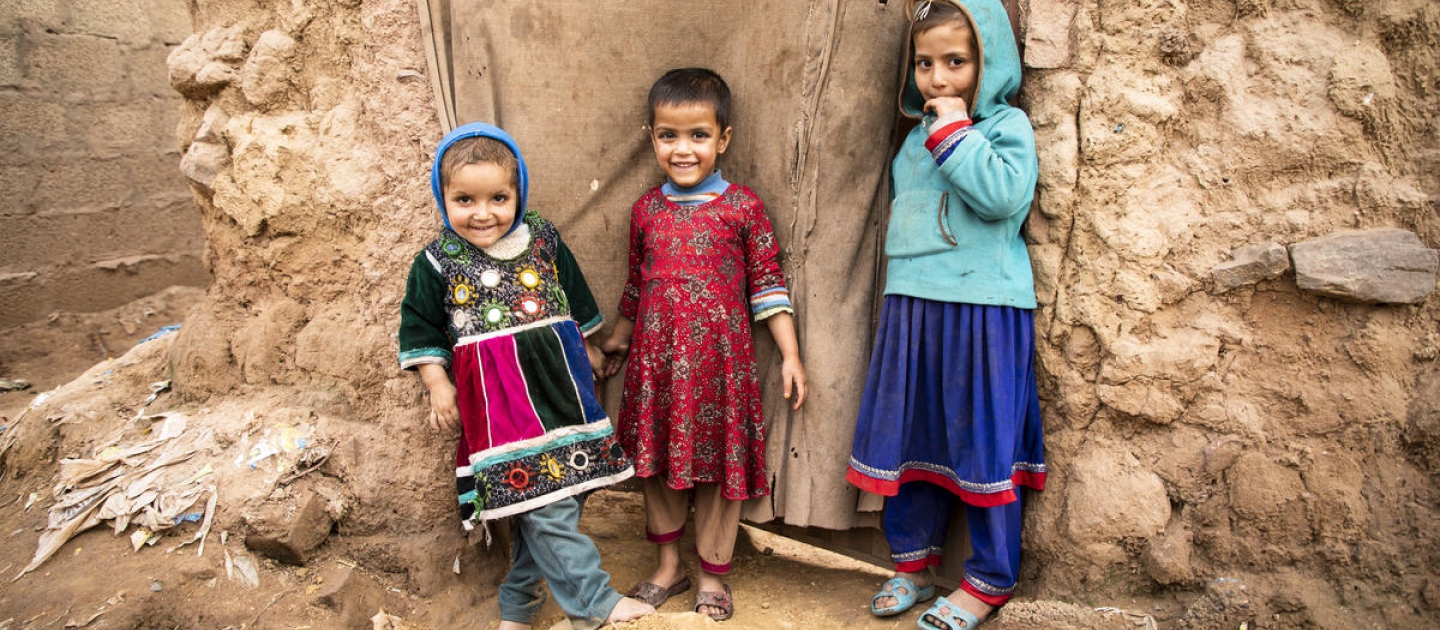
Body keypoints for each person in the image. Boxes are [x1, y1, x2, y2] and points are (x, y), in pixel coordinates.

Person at [398, 122, 654, 630]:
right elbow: (419, 325)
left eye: (498, 197)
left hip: (562, 388)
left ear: (519, 193)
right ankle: (594, 604)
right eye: (464, 200)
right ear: (442, 197)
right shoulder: (436, 261)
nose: (482, 212)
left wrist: (590, 349)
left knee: (561, 494)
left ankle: (518, 604)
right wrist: (437, 383)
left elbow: (573, 295)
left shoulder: (541, 235)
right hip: (501, 403)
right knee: (543, 501)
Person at [846, 1, 1047, 629]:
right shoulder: (913, 139)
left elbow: (1003, 197)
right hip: (915, 308)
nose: (937, 79)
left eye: (956, 63)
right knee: (915, 433)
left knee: (979, 438)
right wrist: (935, 132)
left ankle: (988, 579)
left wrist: (955, 131)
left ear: (989, 63)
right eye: (925, 63)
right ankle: (913, 563)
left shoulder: (1005, 127)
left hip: (983, 310)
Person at [599, 68, 808, 622]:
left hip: (722, 368)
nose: (683, 149)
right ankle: (669, 567)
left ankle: (714, 575)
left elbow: (767, 285)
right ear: (652, 137)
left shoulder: (743, 208)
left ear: (724, 139)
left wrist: (789, 354)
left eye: (698, 135)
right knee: (658, 465)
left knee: (721, 469)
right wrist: (618, 339)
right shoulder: (646, 210)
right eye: (669, 135)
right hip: (657, 368)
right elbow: (635, 284)